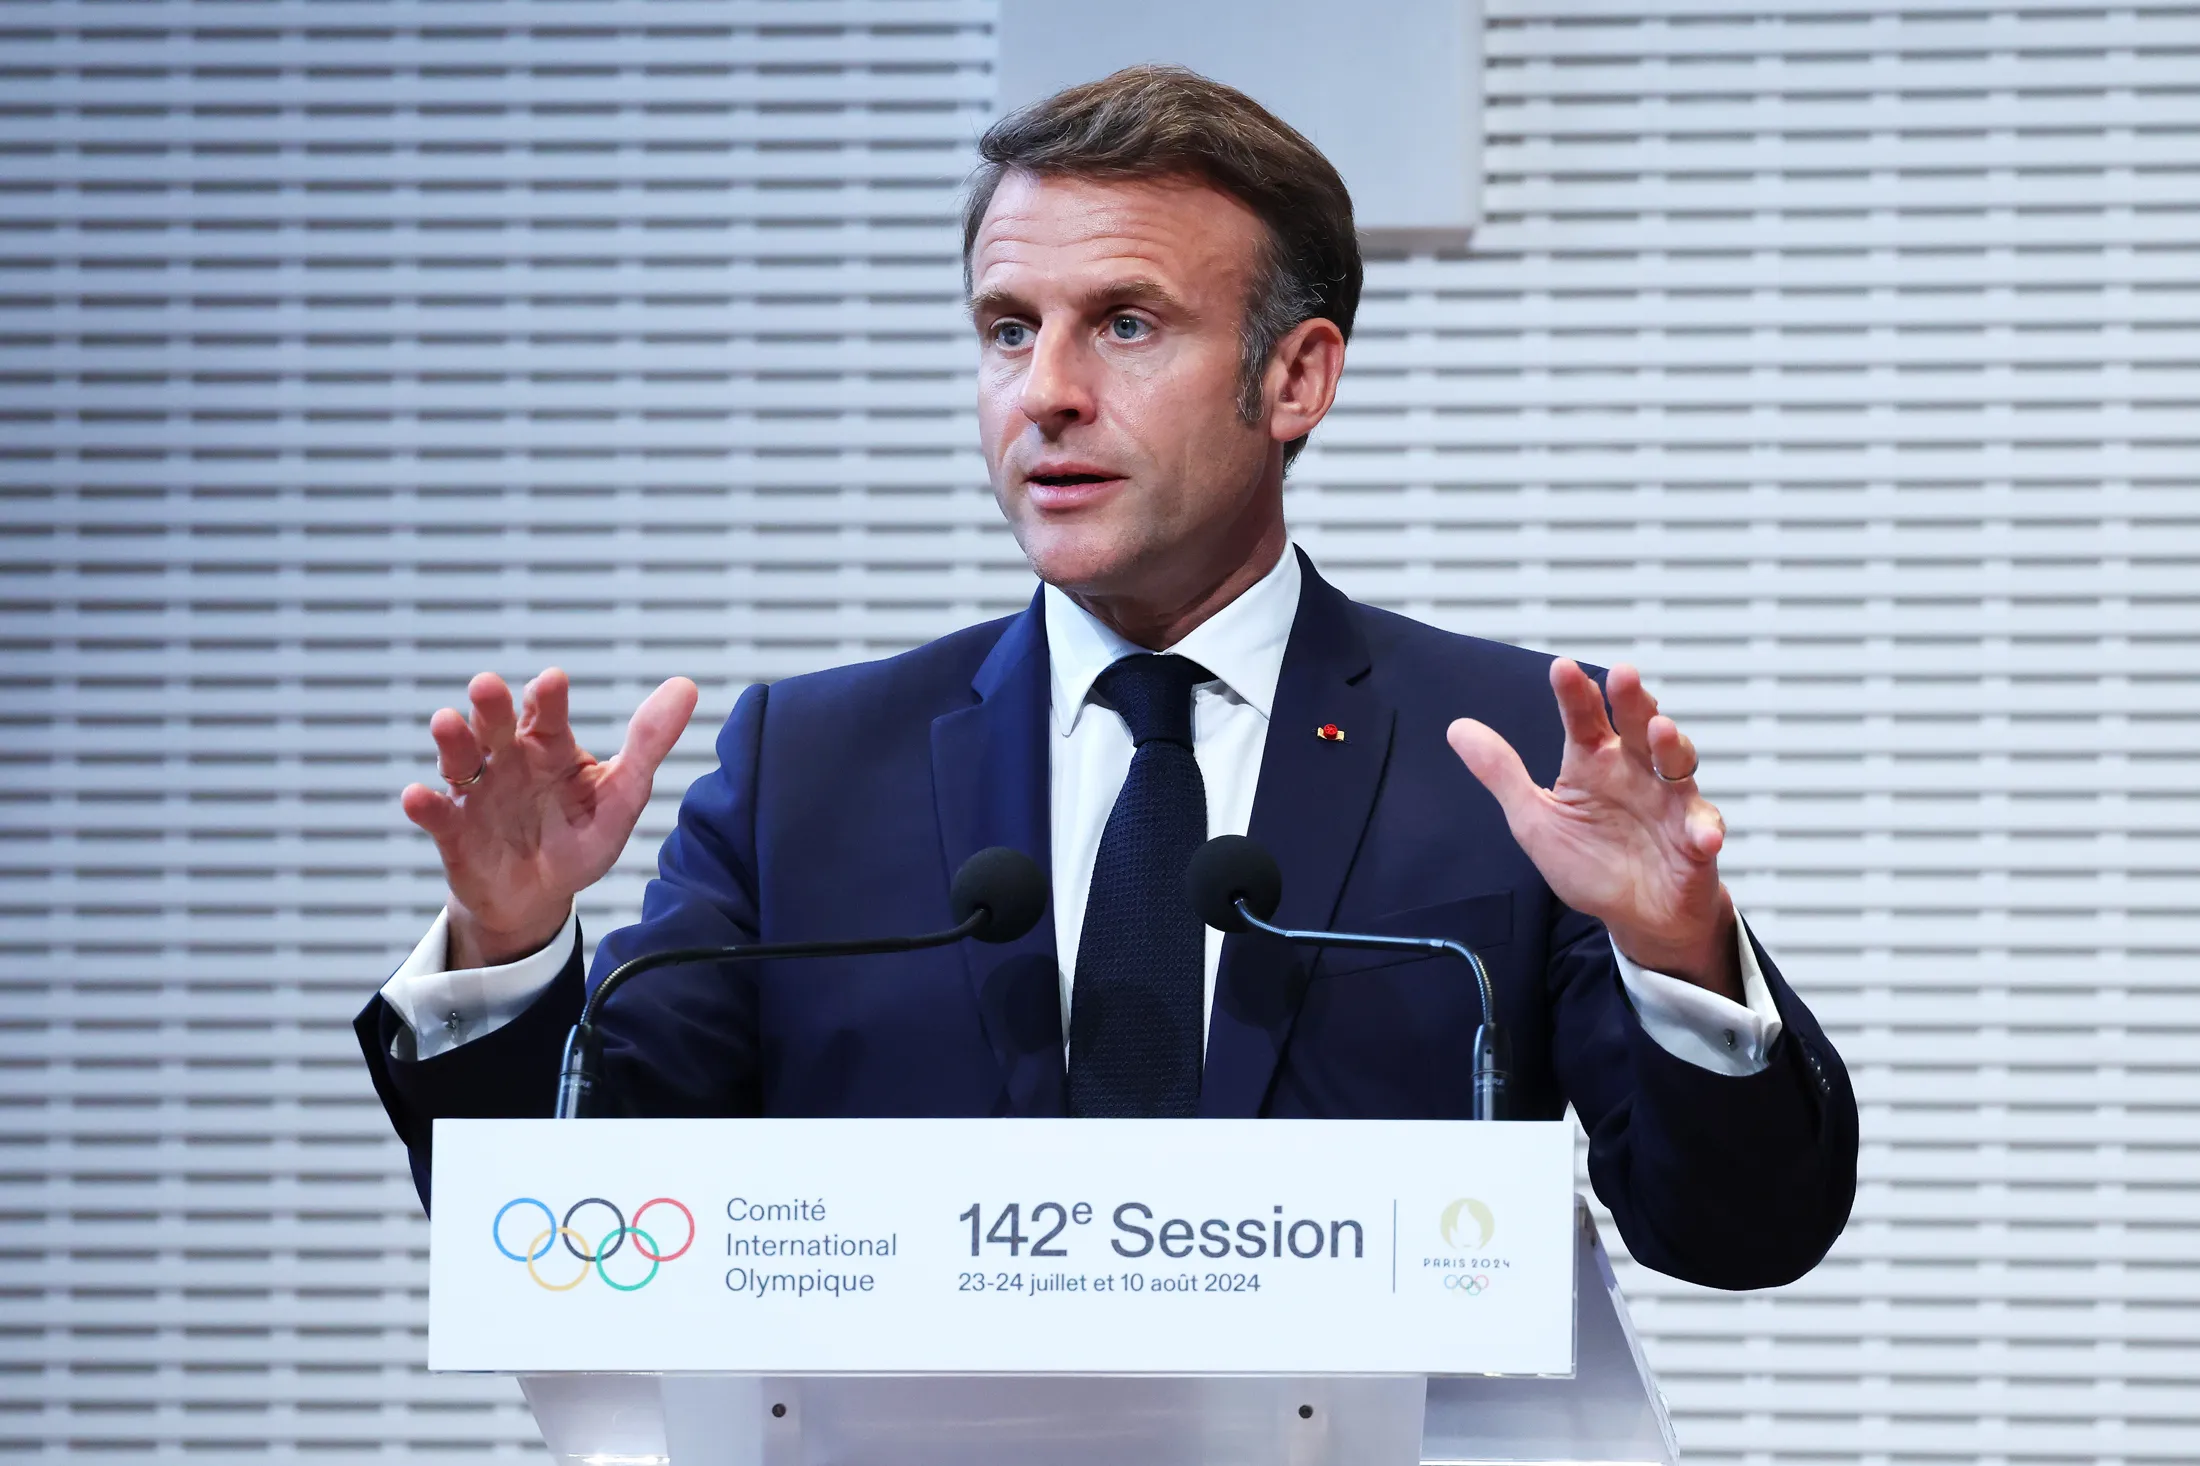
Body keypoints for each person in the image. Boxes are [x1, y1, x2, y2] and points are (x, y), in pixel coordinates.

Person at [356, 66, 1856, 1290]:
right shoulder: (810, 766)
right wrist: (509, 943)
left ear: (1297, 379)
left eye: (1125, 324)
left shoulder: (1510, 757)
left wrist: (1678, 949)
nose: (1047, 390)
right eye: (1010, 330)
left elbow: (1734, 1232)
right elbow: (582, 1233)